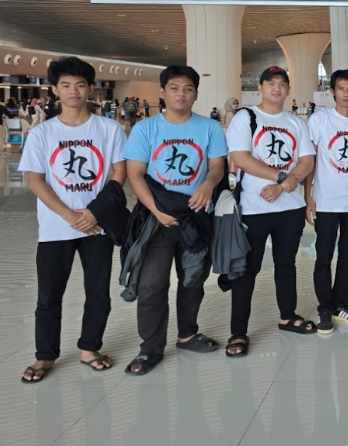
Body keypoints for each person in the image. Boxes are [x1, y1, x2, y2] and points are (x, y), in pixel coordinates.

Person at [17, 57, 127, 383]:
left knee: (98, 292)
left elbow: (119, 173)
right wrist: (70, 215)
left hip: (98, 225)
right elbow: (35, 180)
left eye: (80, 84)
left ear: (90, 88)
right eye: (65, 85)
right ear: (55, 90)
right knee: (48, 296)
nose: (73, 91)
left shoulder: (108, 129)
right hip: (55, 228)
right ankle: (45, 355)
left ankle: (90, 348)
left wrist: (93, 213)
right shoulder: (42, 133)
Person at [122, 65, 227, 375]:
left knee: (193, 279)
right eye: (174, 88)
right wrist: (156, 211)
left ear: (195, 93)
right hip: (157, 220)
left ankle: (187, 334)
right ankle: (150, 348)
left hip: (196, 217)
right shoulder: (145, 129)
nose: (181, 94)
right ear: (163, 92)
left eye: (188, 89)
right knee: (151, 284)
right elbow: (135, 174)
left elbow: (217, 166)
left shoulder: (209, 128)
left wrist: (208, 185)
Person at [224, 66, 317, 357]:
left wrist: (287, 185)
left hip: (290, 209)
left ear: (288, 89)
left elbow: (307, 160)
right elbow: (240, 158)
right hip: (253, 208)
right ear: (260, 88)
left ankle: (287, 316)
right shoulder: (246, 117)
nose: (276, 88)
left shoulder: (296, 122)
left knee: (286, 265)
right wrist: (281, 179)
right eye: (271, 83)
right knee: (246, 270)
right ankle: (238, 332)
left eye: (282, 84)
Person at [306, 69, 348, 335]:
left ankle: (340, 303)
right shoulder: (320, 120)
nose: (346, 93)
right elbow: (310, 160)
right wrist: (308, 196)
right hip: (326, 202)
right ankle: (325, 307)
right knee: (324, 256)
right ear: (332, 91)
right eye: (341, 88)